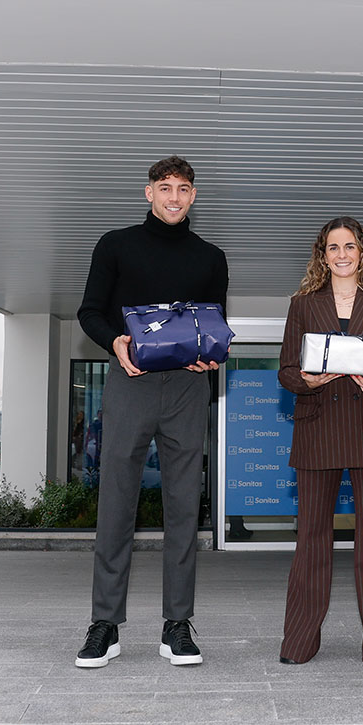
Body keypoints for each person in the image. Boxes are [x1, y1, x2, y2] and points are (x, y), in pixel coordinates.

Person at [74, 156, 228, 668]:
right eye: (165, 188)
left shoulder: (211, 257)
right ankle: (105, 624)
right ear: (149, 193)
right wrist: (114, 341)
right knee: (116, 502)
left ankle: (176, 625)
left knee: (184, 506)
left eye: (183, 188)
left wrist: (211, 353)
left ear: (193, 196)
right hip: (131, 381)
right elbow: (89, 312)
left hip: (188, 386)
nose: (174, 197)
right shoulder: (115, 245)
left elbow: (214, 321)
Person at [276, 217, 363, 665]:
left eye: (349, 246)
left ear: (362, 251)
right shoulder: (302, 304)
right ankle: (299, 643)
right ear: (323, 255)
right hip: (318, 427)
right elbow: (286, 370)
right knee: (312, 540)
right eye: (333, 247)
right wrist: (307, 380)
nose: (341, 255)